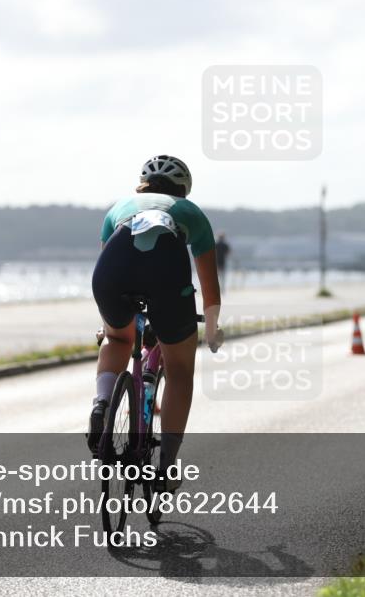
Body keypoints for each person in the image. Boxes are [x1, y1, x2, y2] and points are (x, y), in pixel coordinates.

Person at [88, 155, 223, 492]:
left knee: (118, 340)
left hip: (111, 274)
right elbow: (209, 284)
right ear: (183, 190)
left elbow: (110, 263)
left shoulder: (119, 207)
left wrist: (109, 326)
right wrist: (211, 326)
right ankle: (165, 467)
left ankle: (101, 403)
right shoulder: (191, 213)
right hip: (165, 273)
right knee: (179, 371)